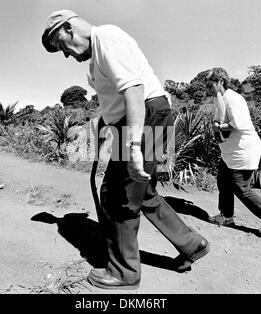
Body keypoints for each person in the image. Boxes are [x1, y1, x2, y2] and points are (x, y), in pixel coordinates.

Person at [41, 10, 210, 290]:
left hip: (147, 117)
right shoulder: (98, 56)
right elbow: (117, 100)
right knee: (142, 191)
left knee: (119, 196)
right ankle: (192, 244)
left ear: (69, 28)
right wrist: (109, 128)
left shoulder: (106, 38)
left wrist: (132, 146)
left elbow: (134, 91)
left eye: (62, 45)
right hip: (146, 118)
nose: (66, 54)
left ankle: (124, 273)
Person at [205, 68, 261, 235]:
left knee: (241, 187)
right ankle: (226, 217)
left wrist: (219, 126)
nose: (207, 87)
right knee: (223, 181)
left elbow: (239, 124)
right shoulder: (222, 99)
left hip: (243, 151)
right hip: (231, 152)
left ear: (220, 82)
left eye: (210, 83)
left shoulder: (233, 99)